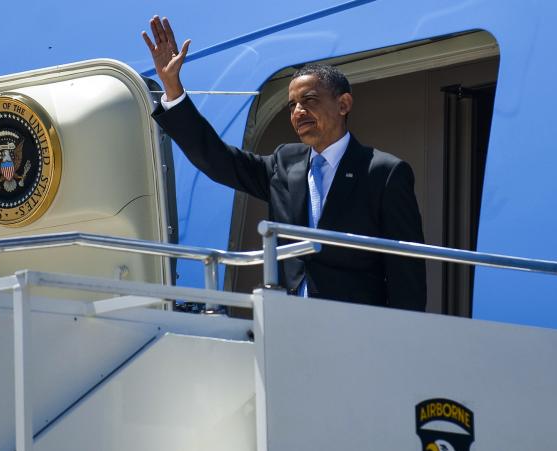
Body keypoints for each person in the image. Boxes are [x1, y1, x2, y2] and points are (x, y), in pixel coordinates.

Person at [142, 16, 427, 311]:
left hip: (354, 328)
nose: (298, 112)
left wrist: (405, 339)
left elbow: (406, 270)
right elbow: (218, 160)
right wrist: (173, 88)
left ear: (343, 105)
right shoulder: (285, 163)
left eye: (309, 100)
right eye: (292, 105)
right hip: (286, 324)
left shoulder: (384, 172)